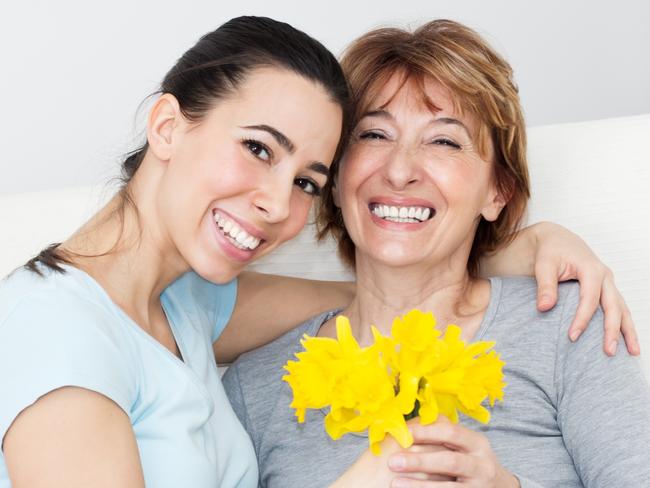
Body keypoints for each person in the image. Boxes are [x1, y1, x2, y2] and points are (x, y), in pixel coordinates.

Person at [0, 15, 637, 488]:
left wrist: (514, 248)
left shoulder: (186, 306)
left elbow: (370, 297)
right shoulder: (59, 334)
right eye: (256, 148)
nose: (278, 205)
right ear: (167, 126)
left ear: (497, 189)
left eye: (306, 180)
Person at [222, 19, 650, 487]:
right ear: (337, 180)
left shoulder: (567, 324)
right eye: (373, 135)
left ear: (498, 191)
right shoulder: (256, 387)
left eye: (444, 140)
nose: (400, 170)